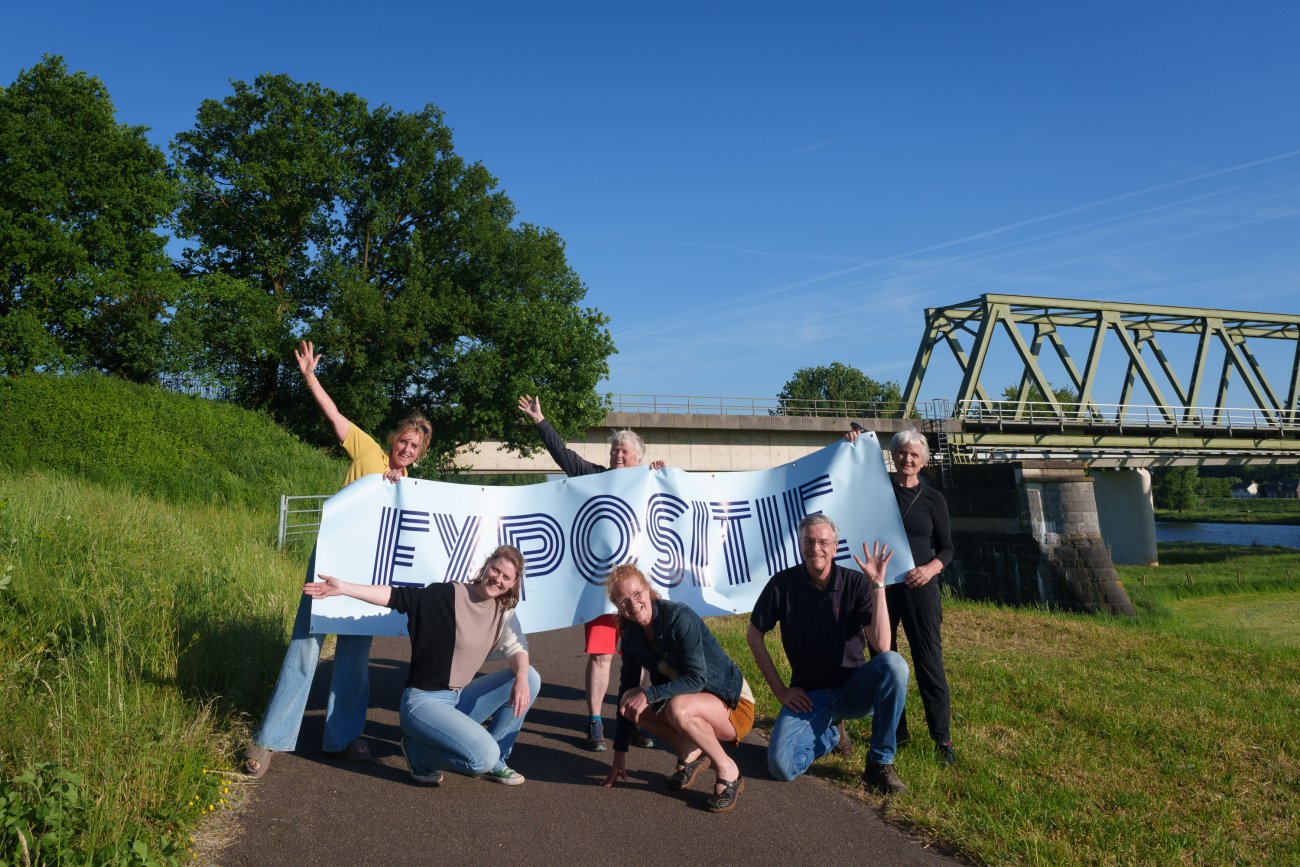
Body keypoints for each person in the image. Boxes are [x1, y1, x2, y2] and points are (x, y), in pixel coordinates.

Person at [243, 340, 431, 778]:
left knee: (353, 656)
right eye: (403, 441)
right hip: (332, 559)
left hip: (369, 575)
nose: (406, 449)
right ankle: (272, 737)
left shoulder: (414, 486)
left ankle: (343, 736)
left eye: (414, 448)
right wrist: (309, 376)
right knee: (306, 644)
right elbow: (333, 414)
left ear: (420, 455)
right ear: (393, 440)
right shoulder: (366, 450)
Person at [306, 546, 541, 786]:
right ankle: (420, 754)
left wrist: (521, 675)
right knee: (482, 756)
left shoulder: (503, 612)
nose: (497, 579)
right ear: (486, 564)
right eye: (495, 569)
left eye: (506, 577)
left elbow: (517, 647)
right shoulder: (448, 594)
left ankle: (498, 760)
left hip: (458, 700)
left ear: (513, 584)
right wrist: (344, 588)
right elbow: (397, 596)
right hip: (423, 703)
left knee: (529, 677)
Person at [516, 394, 664, 751]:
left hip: (640, 593)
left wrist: (664, 475)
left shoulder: (651, 482)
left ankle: (637, 718)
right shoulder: (594, 478)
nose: (618, 455)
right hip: (602, 591)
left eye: (625, 451)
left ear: (639, 458)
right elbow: (564, 456)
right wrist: (541, 421)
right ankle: (595, 721)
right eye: (615, 450)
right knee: (601, 656)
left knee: (640, 658)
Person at [746, 513, 910, 795]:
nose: (816, 548)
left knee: (894, 664)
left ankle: (880, 763)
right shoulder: (782, 584)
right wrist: (780, 691)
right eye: (809, 541)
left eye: (823, 542)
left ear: (835, 547)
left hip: (853, 689)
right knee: (781, 767)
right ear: (800, 546)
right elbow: (753, 635)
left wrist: (878, 586)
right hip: (810, 697)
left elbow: (882, 645)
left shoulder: (856, 583)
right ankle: (830, 734)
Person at [600, 565, 755, 813]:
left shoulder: (678, 617)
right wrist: (620, 751)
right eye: (623, 600)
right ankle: (688, 749)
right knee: (628, 701)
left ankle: (728, 770)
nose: (633, 603)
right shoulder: (630, 636)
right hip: (694, 704)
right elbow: (626, 688)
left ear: (648, 591)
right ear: (617, 606)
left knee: (676, 707)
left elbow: (695, 679)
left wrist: (649, 693)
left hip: (732, 703)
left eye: (637, 594)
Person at [850, 426, 956, 765]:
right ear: (892, 457)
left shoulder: (933, 499)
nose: (907, 459)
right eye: (901, 453)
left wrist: (930, 569)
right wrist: (855, 443)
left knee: (929, 662)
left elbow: (948, 548)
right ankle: (897, 730)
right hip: (882, 588)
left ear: (923, 461)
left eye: (914, 455)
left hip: (920, 588)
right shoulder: (879, 491)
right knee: (884, 658)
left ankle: (943, 740)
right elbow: (855, 472)